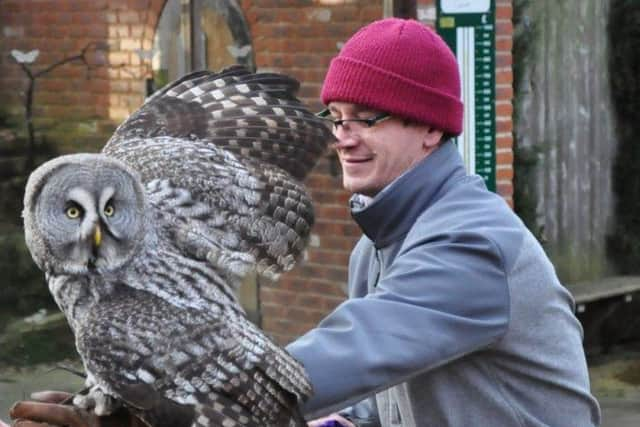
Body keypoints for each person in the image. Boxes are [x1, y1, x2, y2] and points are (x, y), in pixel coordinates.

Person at [8, 17, 600, 427]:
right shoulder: (379, 247)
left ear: (431, 129)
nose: (342, 136)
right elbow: (370, 405)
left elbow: (355, 351)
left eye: (367, 117)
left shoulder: (472, 242)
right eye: (336, 116)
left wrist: (175, 400)